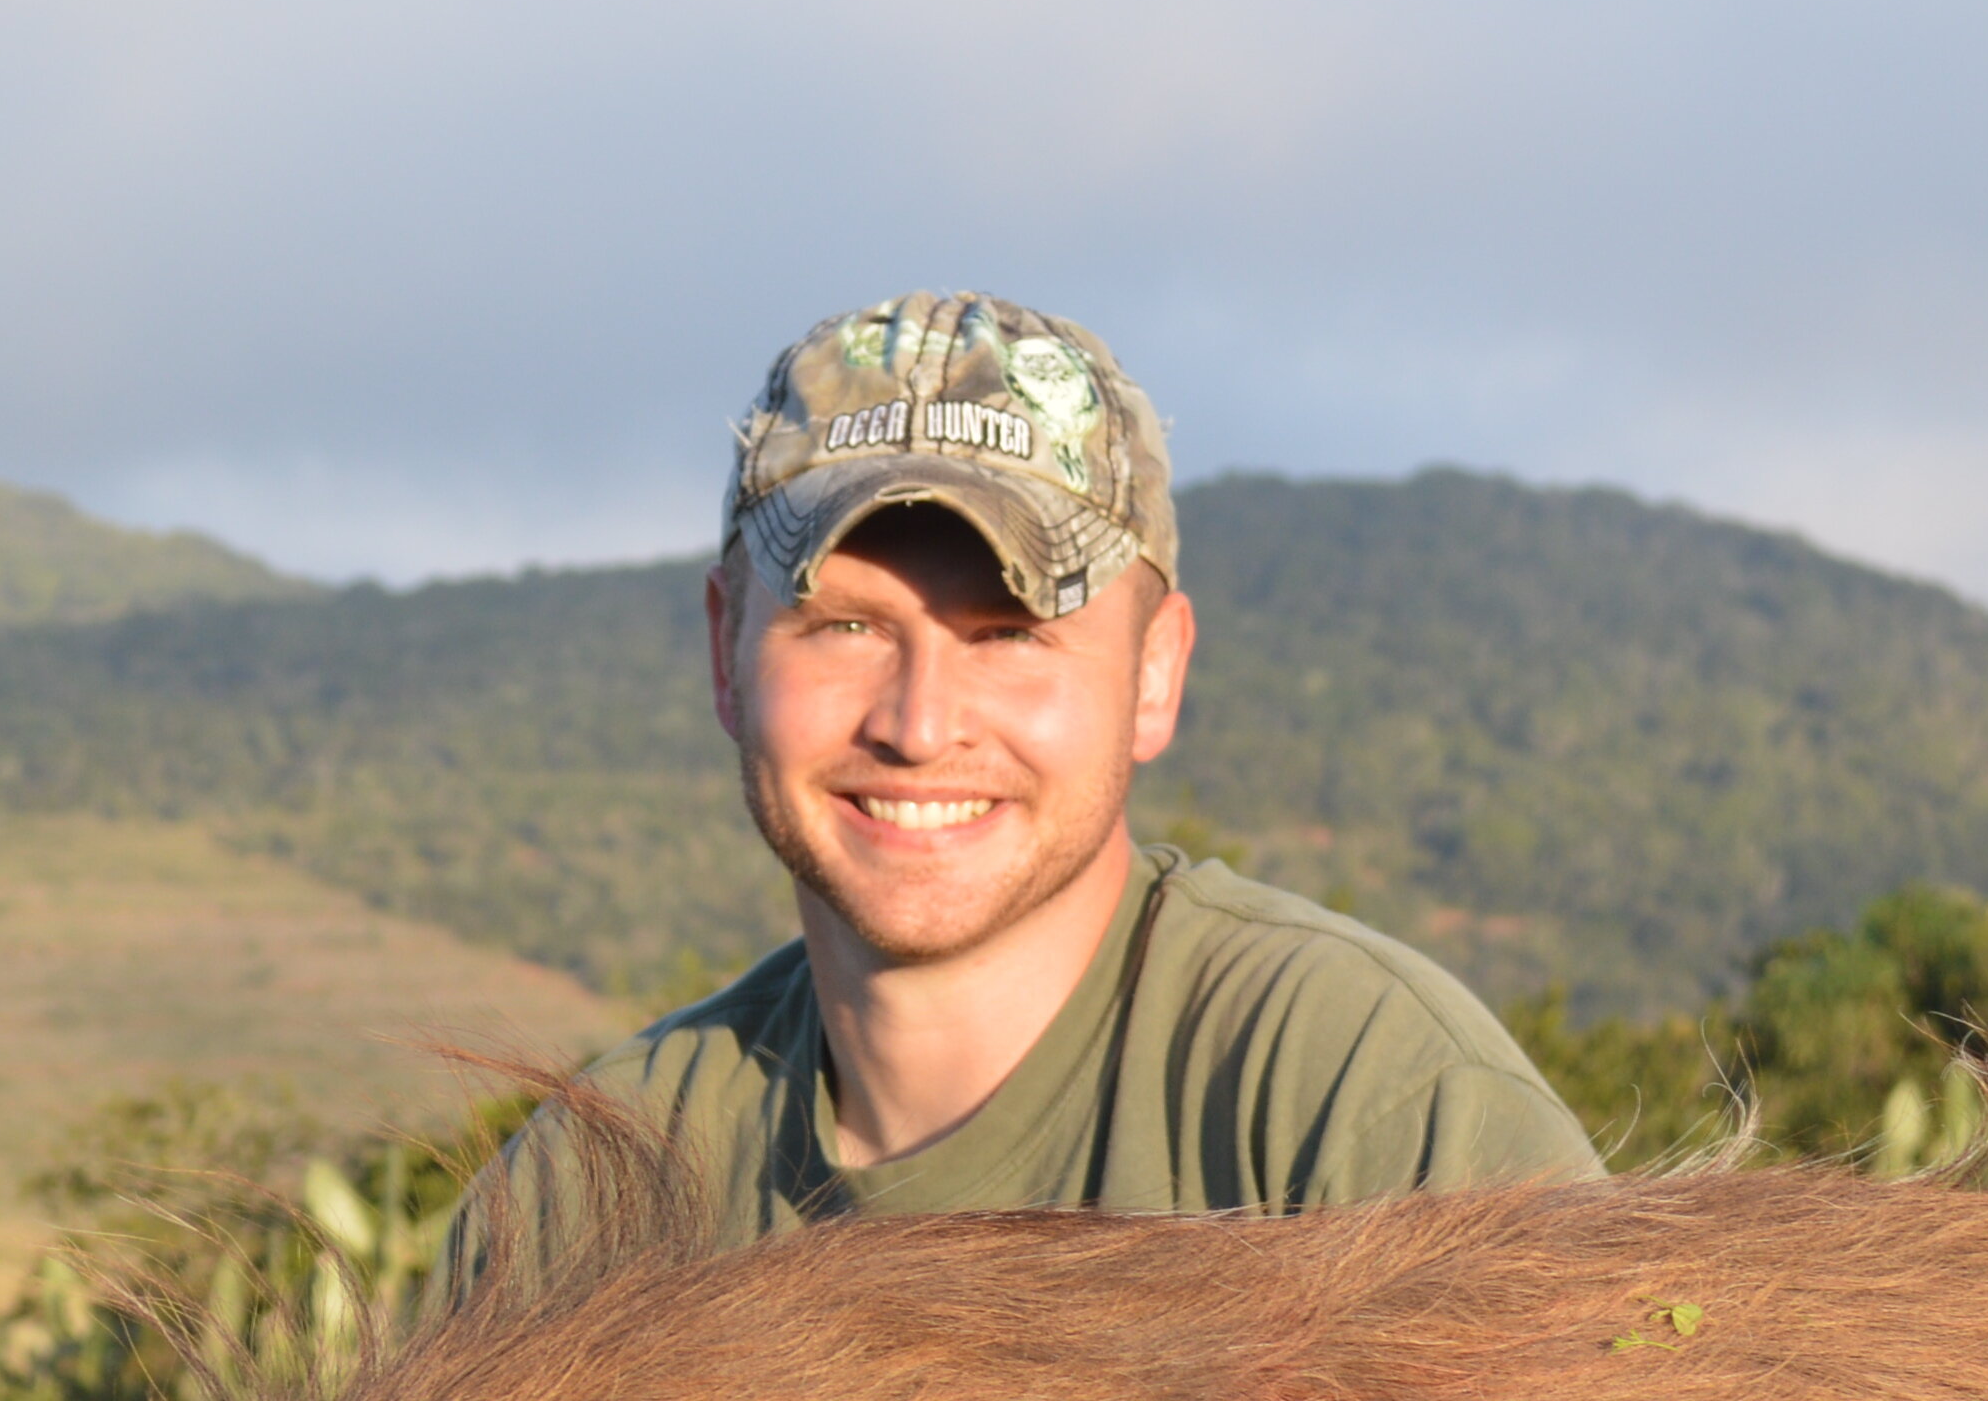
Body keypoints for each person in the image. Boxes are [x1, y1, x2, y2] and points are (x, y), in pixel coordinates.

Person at [490, 291, 1598, 1267]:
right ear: (725, 649)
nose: (918, 727)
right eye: (842, 626)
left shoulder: (1363, 1104)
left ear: (1154, 673)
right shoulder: (591, 1201)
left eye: (1012, 633)